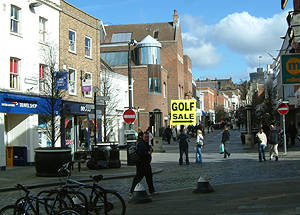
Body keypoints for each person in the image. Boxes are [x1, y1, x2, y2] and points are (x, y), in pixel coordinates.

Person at [129, 132, 155, 197]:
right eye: (145, 137)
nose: (147, 138)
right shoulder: (141, 143)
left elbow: (150, 149)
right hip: (141, 164)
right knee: (138, 178)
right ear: (143, 137)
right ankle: (131, 191)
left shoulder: (146, 143)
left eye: (147, 137)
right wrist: (148, 153)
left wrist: (150, 150)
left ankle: (152, 191)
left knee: (149, 178)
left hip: (146, 163)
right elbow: (141, 153)